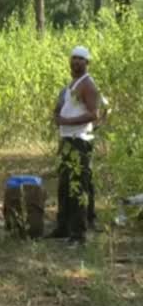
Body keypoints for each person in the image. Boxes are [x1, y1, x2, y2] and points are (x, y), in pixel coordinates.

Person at [49, 46, 100, 245]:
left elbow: (93, 114)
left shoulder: (88, 84)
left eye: (80, 59)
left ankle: (79, 234)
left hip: (80, 140)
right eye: (74, 59)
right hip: (68, 140)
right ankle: (63, 227)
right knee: (64, 185)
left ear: (87, 63)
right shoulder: (73, 83)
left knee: (78, 188)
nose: (76, 62)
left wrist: (67, 122)